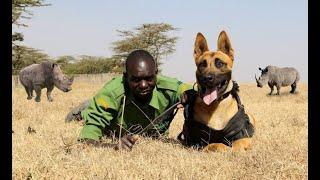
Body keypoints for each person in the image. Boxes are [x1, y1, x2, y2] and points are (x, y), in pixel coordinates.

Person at [78, 49, 192, 150]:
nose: (143, 85)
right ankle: (83, 110)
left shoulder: (170, 88)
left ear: (156, 74)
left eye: (149, 78)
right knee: (86, 113)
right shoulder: (111, 94)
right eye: (136, 80)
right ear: (125, 76)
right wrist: (114, 147)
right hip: (105, 113)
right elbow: (86, 140)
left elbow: (196, 93)